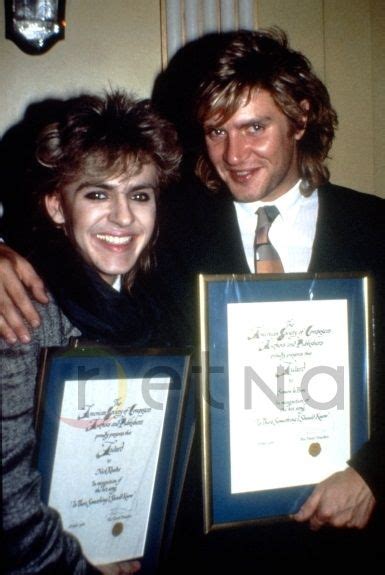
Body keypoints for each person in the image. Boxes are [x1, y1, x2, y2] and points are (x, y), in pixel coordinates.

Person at [1, 28, 385, 565]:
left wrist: (373, 472)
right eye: (216, 130)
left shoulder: (377, 226)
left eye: (255, 127)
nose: (235, 153)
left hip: (348, 527)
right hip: (204, 544)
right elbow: (77, 233)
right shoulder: (167, 221)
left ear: (299, 118)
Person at [1, 90, 181, 574]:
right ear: (58, 207)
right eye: (98, 193)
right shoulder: (19, 312)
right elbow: (8, 510)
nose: (123, 217)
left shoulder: (157, 305)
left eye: (139, 194)